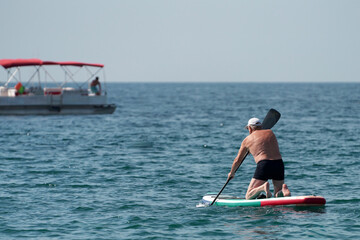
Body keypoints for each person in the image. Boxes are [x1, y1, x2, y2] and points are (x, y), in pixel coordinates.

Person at [227, 117, 291, 199]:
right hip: (279, 163)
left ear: (249, 128)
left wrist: (231, 173)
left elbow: (237, 160)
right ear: (261, 126)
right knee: (277, 195)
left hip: (265, 164)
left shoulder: (247, 140)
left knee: (248, 196)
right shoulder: (270, 132)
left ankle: (263, 187)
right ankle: (282, 191)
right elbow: (264, 145)